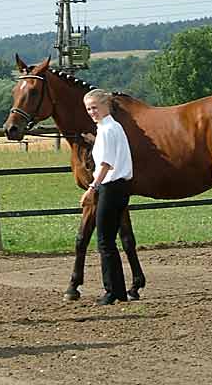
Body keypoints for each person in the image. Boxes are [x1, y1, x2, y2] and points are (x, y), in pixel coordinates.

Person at [80, 89, 133, 305]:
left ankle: (112, 291)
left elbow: (106, 164)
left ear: (106, 106)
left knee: (105, 241)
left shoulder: (107, 130)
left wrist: (91, 188)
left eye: (95, 107)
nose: (92, 112)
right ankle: (117, 290)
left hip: (110, 187)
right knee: (108, 240)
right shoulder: (110, 128)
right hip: (119, 187)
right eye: (89, 109)